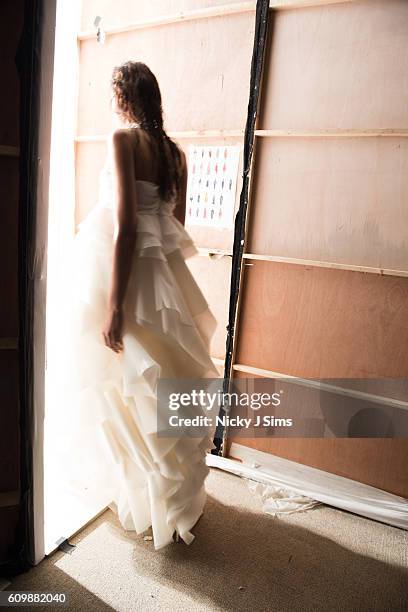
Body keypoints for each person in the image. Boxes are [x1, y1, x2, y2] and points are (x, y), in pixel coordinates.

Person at [61, 61, 220, 550]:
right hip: (165, 278)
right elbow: (174, 225)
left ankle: (148, 496)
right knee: (159, 380)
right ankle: (164, 498)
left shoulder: (123, 139)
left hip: (128, 273)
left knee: (130, 386)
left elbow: (128, 227)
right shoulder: (175, 154)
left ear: (123, 97)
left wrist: (114, 305)